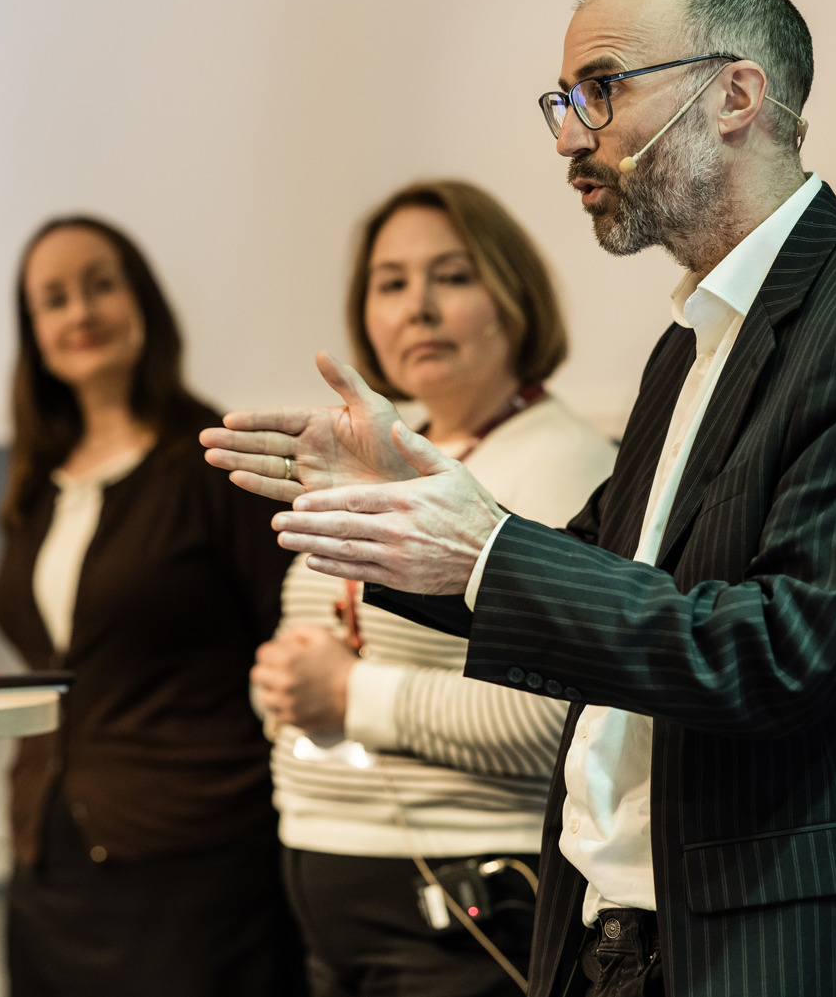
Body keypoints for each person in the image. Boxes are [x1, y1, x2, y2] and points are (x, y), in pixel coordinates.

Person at [204, 0, 836, 997]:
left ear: (735, 96)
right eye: (564, 104)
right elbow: (598, 564)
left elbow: (780, 648)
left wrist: (481, 546)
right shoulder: (694, 339)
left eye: (601, 91)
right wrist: (415, 507)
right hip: (614, 935)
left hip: (773, 947)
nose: (572, 137)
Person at [257, 178, 614, 996]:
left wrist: (352, 694)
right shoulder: (382, 452)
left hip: (462, 916)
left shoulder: (563, 463)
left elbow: (561, 724)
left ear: (511, 295)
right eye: (391, 282)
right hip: (328, 898)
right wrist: (279, 685)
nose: (416, 307)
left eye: (451, 276)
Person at [0, 215, 306, 997]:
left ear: (144, 302)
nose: (80, 312)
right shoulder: (38, 483)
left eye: (101, 284)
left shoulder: (215, 461)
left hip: (194, 868)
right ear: (33, 333)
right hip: (47, 854)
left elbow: (290, 632)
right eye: (53, 299)